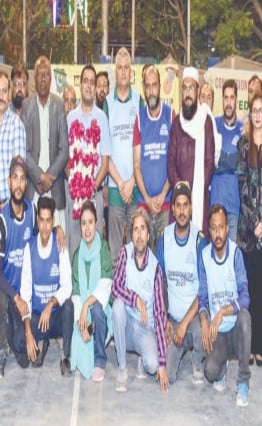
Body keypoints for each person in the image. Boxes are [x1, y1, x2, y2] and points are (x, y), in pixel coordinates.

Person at [236, 92, 262, 367]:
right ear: (250, 115)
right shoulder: (243, 145)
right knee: (249, 292)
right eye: (255, 110)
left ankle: (260, 349)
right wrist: (254, 222)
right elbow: (243, 188)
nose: (259, 115)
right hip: (248, 233)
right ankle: (248, 346)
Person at [198, 204, 251, 407]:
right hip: (217, 332)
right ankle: (222, 364)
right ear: (209, 231)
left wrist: (222, 311)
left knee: (245, 317)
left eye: (221, 227)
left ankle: (243, 381)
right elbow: (202, 297)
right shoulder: (204, 256)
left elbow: (245, 297)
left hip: (235, 327)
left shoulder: (236, 254)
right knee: (210, 372)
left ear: (227, 229)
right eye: (213, 228)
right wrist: (204, 320)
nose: (218, 233)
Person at [112, 208, 168, 392]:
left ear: (148, 234)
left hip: (145, 328)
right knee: (118, 306)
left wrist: (162, 363)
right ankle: (122, 368)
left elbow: (160, 315)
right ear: (131, 234)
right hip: (127, 324)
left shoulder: (155, 268)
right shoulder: (125, 254)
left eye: (142, 229)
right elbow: (115, 287)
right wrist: (135, 299)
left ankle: (142, 359)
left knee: (152, 367)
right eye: (135, 229)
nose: (139, 234)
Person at [156, 182, 206, 384]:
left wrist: (184, 324)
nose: (182, 210)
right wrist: (165, 318)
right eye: (178, 205)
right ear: (173, 209)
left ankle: (197, 359)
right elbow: (159, 283)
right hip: (173, 319)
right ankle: (182, 343)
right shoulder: (164, 237)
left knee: (203, 332)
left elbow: (204, 290)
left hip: (192, 318)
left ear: (191, 208)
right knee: (168, 374)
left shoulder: (199, 239)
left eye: (186, 205)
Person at [17, 197, 74, 374]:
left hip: (55, 316)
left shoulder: (60, 244)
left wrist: (50, 304)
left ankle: (65, 356)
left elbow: (67, 286)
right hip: (38, 317)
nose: (44, 226)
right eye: (41, 221)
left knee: (69, 307)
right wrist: (27, 332)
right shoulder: (29, 248)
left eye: (48, 221)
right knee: (19, 341)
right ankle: (42, 341)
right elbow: (25, 293)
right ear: (38, 221)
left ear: (53, 222)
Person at [0, 157, 36, 376]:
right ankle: (0, 353)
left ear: (26, 183)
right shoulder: (1, 220)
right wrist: (15, 297)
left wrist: (58, 232)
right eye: (14, 179)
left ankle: (8, 333)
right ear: (9, 182)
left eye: (22, 179)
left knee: (28, 360)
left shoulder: (32, 211)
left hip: (23, 291)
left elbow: (39, 246)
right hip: (7, 288)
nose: (18, 184)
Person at [65, 65, 111, 257]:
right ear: (80, 85)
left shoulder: (102, 118)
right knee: (75, 246)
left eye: (93, 82)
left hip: (95, 194)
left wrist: (91, 188)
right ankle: (75, 287)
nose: (90, 86)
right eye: (86, 81)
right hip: (73, 195)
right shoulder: (70, 118)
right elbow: (65, 160)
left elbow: (106, 161)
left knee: (95, 248)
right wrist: (76, 184)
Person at [22, 55, 69, 231]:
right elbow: (24, 150)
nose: (43, 79)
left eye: (46, 74)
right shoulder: (27, 106)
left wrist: (49, 177)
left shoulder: (59, 104)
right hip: (34, 188)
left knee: (59, 243)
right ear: (34, 79)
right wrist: (39, 177)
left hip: (54, 186)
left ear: (51, 78)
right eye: (40, 75)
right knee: (33, 239)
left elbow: (64, 150)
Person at [167, 66, 216, 236]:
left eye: (191, 88)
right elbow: (171, 161)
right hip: (179, 200)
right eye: (185, 88)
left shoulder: (206, 121)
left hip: (199, 199)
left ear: (197, 91)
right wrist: (181, 187)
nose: (188, 93)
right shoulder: (176, 124)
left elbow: (210, 162)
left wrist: (194, 188)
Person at [106, 47, 143, 265]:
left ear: (131, 71)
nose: (122, 72)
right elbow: (105, 150)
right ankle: (114, 298)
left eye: (126, 68)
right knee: (114, 254)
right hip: (115, 189)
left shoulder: (139, 101)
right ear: (115, 71)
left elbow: (143, 147)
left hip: (136, 188)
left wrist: (131, 182)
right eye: (119, 68)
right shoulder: (107, 103)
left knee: (136, 249)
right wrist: (121, 183)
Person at [70, 201, 113, 381]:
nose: (87, 228)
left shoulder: (103, 248)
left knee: (96, 310)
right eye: (83, 223)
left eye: (90, 222)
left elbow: (105, 283)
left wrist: (87, 304)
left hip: (101, 308)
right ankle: (88, 332)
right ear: (80, 227)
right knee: (80, 348)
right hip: (83, 312)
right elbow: (77, 292)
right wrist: (82, 323)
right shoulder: (77, 255)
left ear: (96, 224)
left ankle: (100, 361)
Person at [133, 65, 173, 246]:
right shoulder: (140, 119)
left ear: (159, 86)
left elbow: (175, 161)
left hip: (166, 205)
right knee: (145, 261)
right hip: (144, 205)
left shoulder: (170, 115)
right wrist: (148, 201)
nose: (151, 91)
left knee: (164, 260)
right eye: (147, 86)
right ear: (144, 88)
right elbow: (136, 166)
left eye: (154, 85)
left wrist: (163, 195)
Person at [0, 71, 26, 210]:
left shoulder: (16, 124)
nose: (1, 96)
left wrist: (10, 204)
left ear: (9, 94)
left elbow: (19, 170)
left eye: (4, 91)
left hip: (10, 206)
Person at [212, 79, 243, 242]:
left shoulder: (243, 129)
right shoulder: (213, 125)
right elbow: (211, 162)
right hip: (215, 205)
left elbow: (241, 165)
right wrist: (230, 162)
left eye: (232, 97)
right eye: (226, 98)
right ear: (222, 100)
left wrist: (222, 160)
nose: (229, 102)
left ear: (236, 99)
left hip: (233, 208)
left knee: (230, 261)